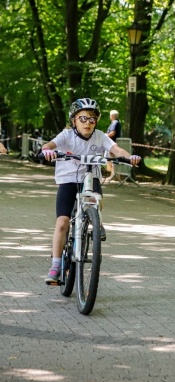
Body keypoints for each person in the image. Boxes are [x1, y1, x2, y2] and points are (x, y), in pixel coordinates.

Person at [41, 98, 141, 284]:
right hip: (69, 180)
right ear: (74, 121)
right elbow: (49, 145)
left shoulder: (100, 136)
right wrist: (47, 151)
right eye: (83, 118)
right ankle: (55, 265)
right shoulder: (66, 135)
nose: (88, 123)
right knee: (62, 222)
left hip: (91, 178)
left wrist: (131, 157)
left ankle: (96, 221)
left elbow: (116, 149)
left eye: (92, 119)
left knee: (96, 198)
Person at [105, 110, 122, 182]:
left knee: (111, 160)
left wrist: (105, 136)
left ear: (112, 116)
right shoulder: (117, 122)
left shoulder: (115, 123)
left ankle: (113, 176)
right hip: (113, 144)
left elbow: (113, 132)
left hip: (112, 144)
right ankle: (114, 175)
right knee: (112, 160)